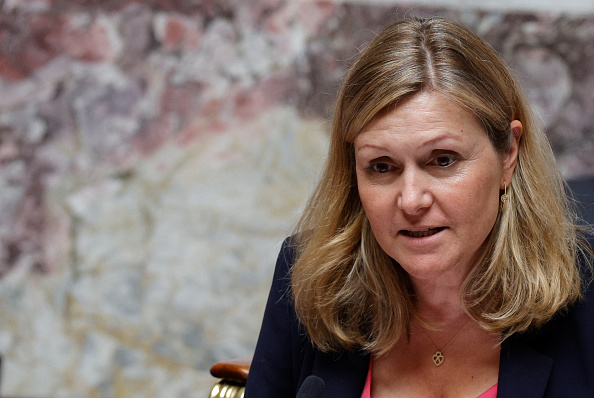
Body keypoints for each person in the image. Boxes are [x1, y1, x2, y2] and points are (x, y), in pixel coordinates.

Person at [244, 17, 593, 398]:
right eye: (381, 167)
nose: (411, 200)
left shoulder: (588, 295)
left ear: (509, 153)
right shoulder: (306, 278)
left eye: (443, 160)